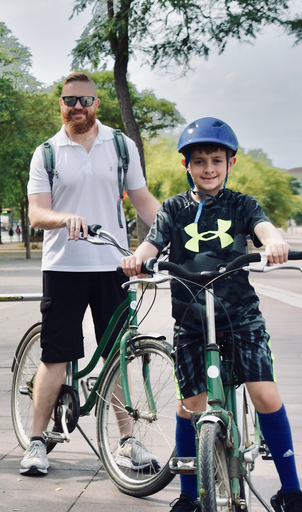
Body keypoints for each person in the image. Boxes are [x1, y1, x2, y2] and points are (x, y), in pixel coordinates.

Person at [121, 117, 302, 512]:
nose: (208, 169)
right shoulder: (173, 208)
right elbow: (152, 244)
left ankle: (291, 491)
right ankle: (187, 495)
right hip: (191, 318)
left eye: (216, 160)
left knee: (266, 395)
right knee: (191, 405)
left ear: (230, 163)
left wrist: (274, 244)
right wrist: (139, 260)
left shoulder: (241, 204)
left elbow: (265, 229)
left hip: (239, 315)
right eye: (199, 161)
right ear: (187, 164)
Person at [24, 72, 161, 476]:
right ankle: (35, 441)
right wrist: (64, 218)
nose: (77, 108)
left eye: (85, 101)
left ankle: (127, 441)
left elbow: (142, 200)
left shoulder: (120, 145)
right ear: (60, 104)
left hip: (115, 265)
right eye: (70, 101)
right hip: (64, 266)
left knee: (119, 353)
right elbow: (36, 213)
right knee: (56, 355)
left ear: (97, 104)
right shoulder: (46, 152)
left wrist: (171, 234)